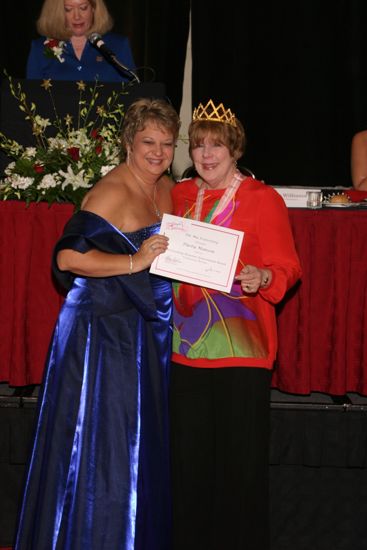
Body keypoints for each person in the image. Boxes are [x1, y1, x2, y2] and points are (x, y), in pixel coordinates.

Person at [14, 98, 181, 550]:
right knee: (102, 449)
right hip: (98, 331)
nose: (158, 152)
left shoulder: (165, 186)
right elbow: (67, 257)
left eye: (167, 143)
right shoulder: (110, 192)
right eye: (148, 141)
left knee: (133, 444)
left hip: (138, 325)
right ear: (128, 142)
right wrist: (133, 260)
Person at [169, 99, 302, 550]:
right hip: (185, 348)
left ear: (235, 150)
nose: (207, 155)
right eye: (200, 145)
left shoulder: (263, 200)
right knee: (189, 465)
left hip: (242, 349)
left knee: (239, 468)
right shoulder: (180, 195)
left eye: (217, 147)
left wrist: (262, 277)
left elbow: (287, 268)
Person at [26, 0, 135, 82]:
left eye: (83, 8)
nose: (77, 16)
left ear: (94, 8)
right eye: (68, 9)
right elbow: (32, 97)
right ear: (57, 13)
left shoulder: (118, 46)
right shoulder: (39, 49)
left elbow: (131, 97)